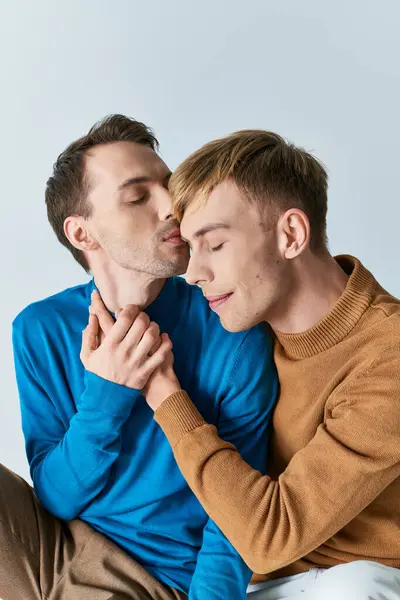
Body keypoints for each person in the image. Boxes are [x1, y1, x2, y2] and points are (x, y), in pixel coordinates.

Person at [87, 129, 400, 600]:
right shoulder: (246, 324)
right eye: (190, 248)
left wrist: (165, 395)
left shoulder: (388, 356)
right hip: (225, 578)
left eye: (213, 245)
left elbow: (272, 536)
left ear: (291, 234)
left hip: (343, 577)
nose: (193, 273)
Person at [2, 116, 277, 600]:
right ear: (82, 234)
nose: (173, 205)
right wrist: (108, 394)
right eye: (137, 196)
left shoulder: (232, 329)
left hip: (161, 578)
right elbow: (57, 497)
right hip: (61, 547)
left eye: (169, 186)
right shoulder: (39, 328)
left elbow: (237, 511)